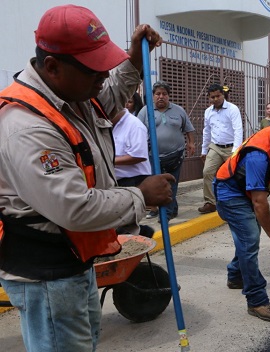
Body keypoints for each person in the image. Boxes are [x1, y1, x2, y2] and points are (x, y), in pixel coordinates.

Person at [0, 6, 172, 351]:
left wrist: (134, 63)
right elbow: (75, 207)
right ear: (53, 66)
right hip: (47, 272)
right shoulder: (27, 127)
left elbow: (107, 101)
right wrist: (141, 195)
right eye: (95, 70)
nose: (103, 77)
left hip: (74, 261)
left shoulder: (73, 98)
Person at [215, 110, 270, 322]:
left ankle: (236, 275)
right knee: (250, 240)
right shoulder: (259, 155)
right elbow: (259, 202)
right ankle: (256, 301)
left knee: (247, 238)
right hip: (230, 193)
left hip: (246, 189)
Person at [138, 81, 196, 221]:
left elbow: (188, 129)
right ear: (153, 96)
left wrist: (191, 143)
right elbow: (137, 131)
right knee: (158, 183)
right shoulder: (145, 111)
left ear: (168, 96)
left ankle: (166, 214)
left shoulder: (178, 110)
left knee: (172, 183)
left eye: (164, 94)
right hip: (153, 156)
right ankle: (170, 208)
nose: (161, 97)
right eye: (158, 94)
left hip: (176, 154)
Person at [197, 84, 243, 214]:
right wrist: (204, 150)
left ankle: (240, 200)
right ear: (209, 98)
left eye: (218, 96)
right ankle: (210, 202)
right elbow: (206, 131)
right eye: (213, 97)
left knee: (235, 175)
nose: (216, 99)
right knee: (207, 172)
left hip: (231, 148)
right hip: (215, 147)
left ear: (223, 95)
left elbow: (238, 129)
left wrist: (236, 150)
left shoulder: (233, 109)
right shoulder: (208, 112)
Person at [112, 99, 152, 187]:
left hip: (134, 180)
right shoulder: (107, 125)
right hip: (115, 181)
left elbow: (138, 156)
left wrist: (109, 161)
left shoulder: (135, 125)